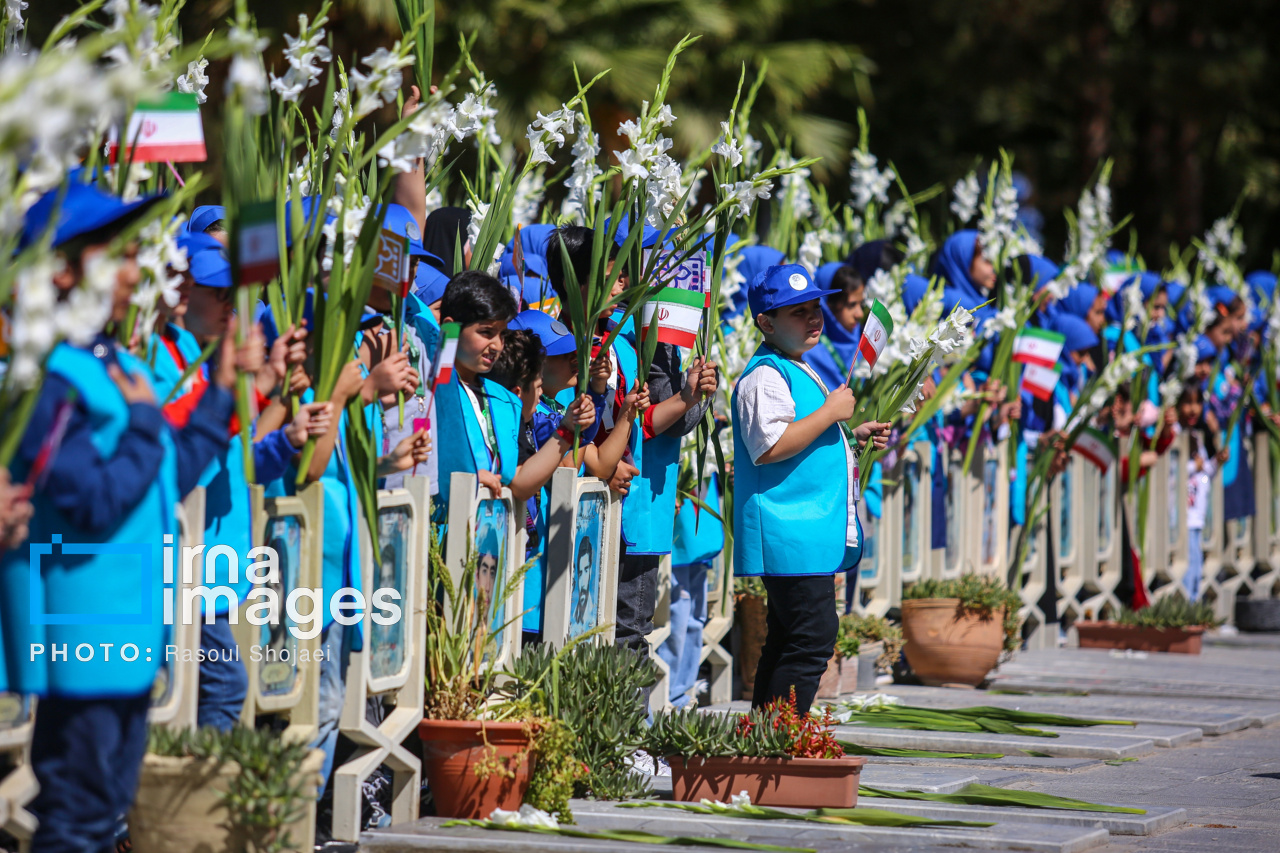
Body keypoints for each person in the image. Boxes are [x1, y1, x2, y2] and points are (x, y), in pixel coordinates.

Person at [0, 182, 247, 853]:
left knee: (105, 808)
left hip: (129, 637)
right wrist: (143, 422)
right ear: (61, 268)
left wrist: (224, 391)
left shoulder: (112, 362)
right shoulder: (47, 373)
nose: (136, 272)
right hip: (83, 636)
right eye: (118, 254)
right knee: (77, 820)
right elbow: (94, 499)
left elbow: (167, 478)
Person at [732, 263, 889, 714]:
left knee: (789, 637)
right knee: (812, 638)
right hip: (788, 531)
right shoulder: (765, 375)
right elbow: (769, 446)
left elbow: (802, 438)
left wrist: (851, 434)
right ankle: (781, 739)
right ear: (766, 322)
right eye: (798, 312)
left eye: (815, 307)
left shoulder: (796, 367)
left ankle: (765, 738)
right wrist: (831, 414)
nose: (814, 317)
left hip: (805, 529)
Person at [487, 315, 601, 640]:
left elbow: (567, 465)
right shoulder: (521, 417)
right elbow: (531, 479)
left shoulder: (543, 410)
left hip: (532, 562)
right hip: (510, 568)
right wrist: (567, 430)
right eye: (564, 355)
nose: (575, 362)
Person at [433, 271, 522, 512]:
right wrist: (466, 475)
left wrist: (566, 430)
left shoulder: (507, 400)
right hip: (438, 533)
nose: (497, 345)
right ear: (450, 328)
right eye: (486, 332)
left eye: (502, 334)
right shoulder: (430, 388)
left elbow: (516, 480)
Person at [659, 467, 725, 708]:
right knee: (677, 613)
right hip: (679, 498)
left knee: (695, 616)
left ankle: (682, 690)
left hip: (701, 493)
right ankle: (669, 692)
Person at [1178, 385, 1222, 602]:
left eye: (1197, 403)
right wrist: (1193, 467)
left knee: (1196, 568)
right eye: (1187, 403)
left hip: (1196, 517)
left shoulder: (1197, 436)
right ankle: (1186, 616)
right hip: (1181, 519)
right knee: (1186, 568)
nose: (1193, 409)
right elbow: (1172, 472)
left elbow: (1206, 473)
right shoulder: (1176, 436)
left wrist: (1217, 462)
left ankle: (1192, 613)